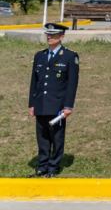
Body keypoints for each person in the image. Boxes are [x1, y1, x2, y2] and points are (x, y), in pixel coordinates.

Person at [27, 23, 79, 178]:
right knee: (42, 137)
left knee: (56, 137)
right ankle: (42, 166)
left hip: (57, 105)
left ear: (61, 37)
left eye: (53, 35)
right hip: (41, 103)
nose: (49, 37)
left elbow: (72, 84)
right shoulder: (40, 56)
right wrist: (32, 104)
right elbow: (34, 82)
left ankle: (53, 167)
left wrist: (68, 106)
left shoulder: (69, 56)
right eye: (48, 34)